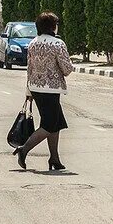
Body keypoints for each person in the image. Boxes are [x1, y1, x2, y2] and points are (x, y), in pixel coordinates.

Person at [15, 11, 73, 172]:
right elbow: (66, 69)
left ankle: (54, 158)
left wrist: (28, 92)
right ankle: (24, 149)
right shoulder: (57, 44)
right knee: (49, 124)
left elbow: (29, 68)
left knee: (57, 123)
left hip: (35, 88)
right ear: (53, 27)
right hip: (51, 89)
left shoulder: (33, 43)